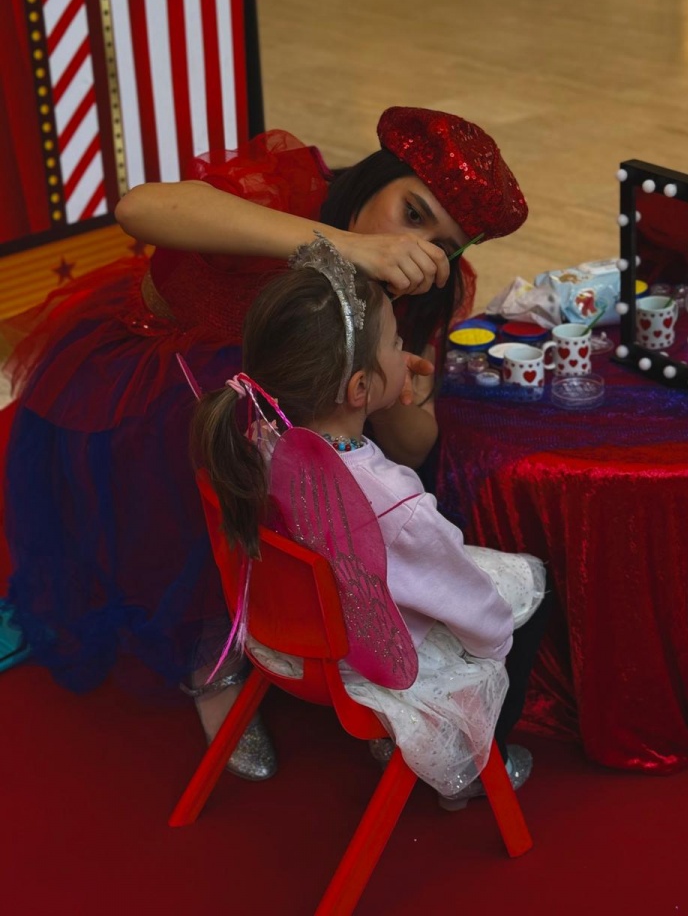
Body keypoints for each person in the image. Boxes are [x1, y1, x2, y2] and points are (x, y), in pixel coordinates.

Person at [3, 107, 527, 781]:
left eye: (446, 243)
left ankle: (311, 626)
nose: (422, 245)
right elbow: (142, 206)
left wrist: (394, 379)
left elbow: (417, 444)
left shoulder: (417, 281)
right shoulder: (294, 193)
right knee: (211, 442)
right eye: (413, 212)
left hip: (277, 407)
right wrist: (345, 246)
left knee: (346, 476)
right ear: (380, 179)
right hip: (159, 382)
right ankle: (210, 653)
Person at [192, 242, 547, 802]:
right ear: (359, 388)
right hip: (371, 661)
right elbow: (456, 588)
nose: (404, 351)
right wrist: (495, 640)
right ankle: (477, 765)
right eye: (396, 342)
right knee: (532, 584)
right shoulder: (391, 497)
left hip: (281, 636)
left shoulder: (254, 440)